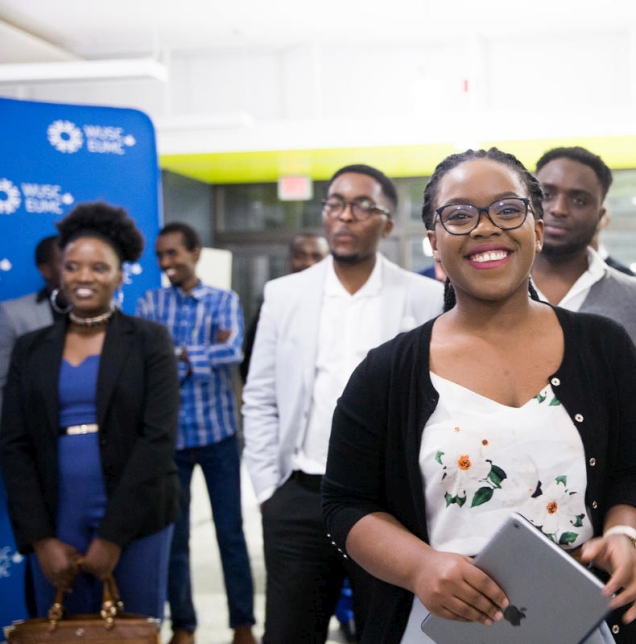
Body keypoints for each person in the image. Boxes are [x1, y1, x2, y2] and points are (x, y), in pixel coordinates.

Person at [320, 148, 636, 643]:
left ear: (537, 230)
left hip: (580, 618)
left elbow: (633, 473)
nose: (485, 227)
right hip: (442, 625)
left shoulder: (604, 347)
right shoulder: (386, 372)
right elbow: (345, 504)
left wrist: (626, 537)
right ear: (435, 244)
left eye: (507, 209)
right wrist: (420, 567)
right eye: (459, 215)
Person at [242, 164, 442, 643]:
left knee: (384, 631)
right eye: (335, 203)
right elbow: (259, 396)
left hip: (387, 507)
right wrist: (269, 489)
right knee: (289, 633)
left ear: (388, 223)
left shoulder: (426, 298)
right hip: (299, 498)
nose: (345, 216)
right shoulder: (285, 295)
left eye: (361, 206)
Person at [0, 202, 180, 620]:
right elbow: (14, 444)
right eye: (73, 266)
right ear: (59, 272)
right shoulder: (31, 348)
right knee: (60, 628)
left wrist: (113, 537)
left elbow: (158, 440)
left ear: (120, 276)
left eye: (99, 268)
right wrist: (41, 540)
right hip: (54, 514)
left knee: (129, 627)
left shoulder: (150, 341)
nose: (84, 277)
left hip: (137, 517)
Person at [136, 222, 256, 644]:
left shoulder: (224, 300)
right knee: (177, 538)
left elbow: (232, 352)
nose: (166, 263)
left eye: (174, 254)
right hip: (171, 440)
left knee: (230, 534)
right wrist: (196, 352)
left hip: (219, 435)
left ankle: (243, 625)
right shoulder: (150, 302)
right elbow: (147, 361)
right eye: (161, 256)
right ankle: (183, 627)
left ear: (195, 253)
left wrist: (177, 353)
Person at [530, 146, 636, 441]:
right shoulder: (490, 290)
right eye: (546, 194)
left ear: (601, 215)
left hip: (604, 485)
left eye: (579, 199)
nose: (558, 208)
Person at [240, 233, 327, 382]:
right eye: (300, 256)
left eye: (316, 257)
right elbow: (253, 361)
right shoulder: (274, 301)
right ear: (290, 258)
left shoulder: (339, 303)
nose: (308, 263)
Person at [0, 235, 66, 419]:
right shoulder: (13, 313)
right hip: (33, 429)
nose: (75, 269)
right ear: (45, 270)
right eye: (66, 261)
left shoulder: (103, 310)